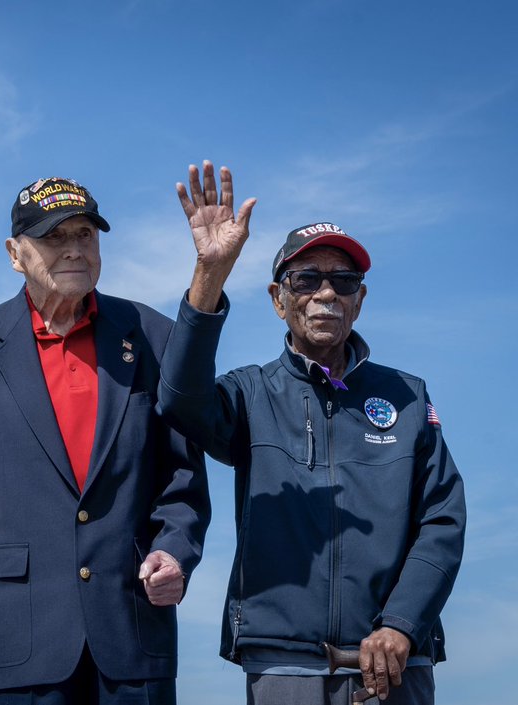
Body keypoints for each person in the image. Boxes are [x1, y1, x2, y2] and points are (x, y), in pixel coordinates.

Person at [158, 161, 466, 704]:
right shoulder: (249, 394)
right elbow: (179, 399)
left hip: (395, 664)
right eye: (307, 280)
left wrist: (400, 623)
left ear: (359, 300)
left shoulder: (409, 398)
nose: (326, 293)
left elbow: (442, 520)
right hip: (284, 668)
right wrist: (210, 273)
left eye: (343, 281)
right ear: (280, 300)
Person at [0, 176, 211, 704]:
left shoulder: (152, 335)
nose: (74, 249)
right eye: (55, 237)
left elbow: (182, 476)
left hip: (134, 626)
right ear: (15, 253)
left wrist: (174, 550)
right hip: (26, 634)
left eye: (85, 234)